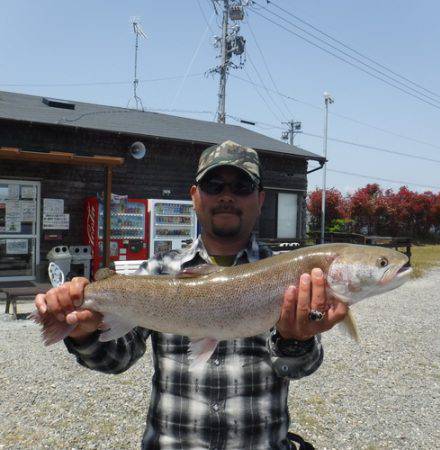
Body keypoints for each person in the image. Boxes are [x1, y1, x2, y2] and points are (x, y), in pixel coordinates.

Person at [35, 140, 348, 450]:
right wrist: (84, 332)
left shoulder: (290, 274)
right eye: (214, 185)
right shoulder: (157, 271)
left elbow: (299, 368)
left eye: (242, 186)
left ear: (260, 199)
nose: (227, 195)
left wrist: (297, 341)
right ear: (195, 196)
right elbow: (116, 359)